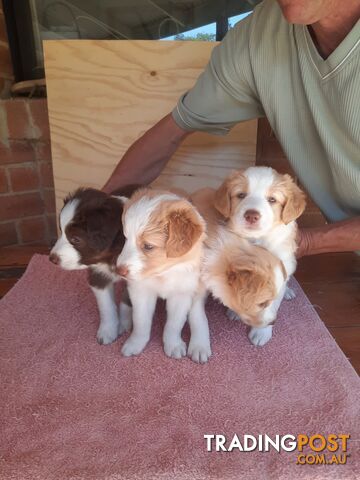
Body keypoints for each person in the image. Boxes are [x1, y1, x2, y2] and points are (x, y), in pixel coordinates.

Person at [103, 0, 360, 258]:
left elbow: (296, 243)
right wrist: (100, 211)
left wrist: (300, 242)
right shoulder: (261, 34)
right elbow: (174, 129)